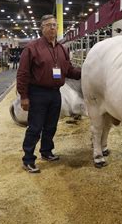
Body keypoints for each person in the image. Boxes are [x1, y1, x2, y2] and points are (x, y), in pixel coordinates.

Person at [17, 14, 81, 173]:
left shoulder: (62, 49)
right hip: (38, 93)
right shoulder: (32, 48)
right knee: (35, 127)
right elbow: (22, 73)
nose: (52, 27)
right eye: (48, 25)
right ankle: (28, 159)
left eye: (55, 25)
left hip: (55, 93)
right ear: (42, 27)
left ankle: (46, 152)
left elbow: (69, 70)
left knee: (51, 126)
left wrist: (86, 71)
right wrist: (24, 96)